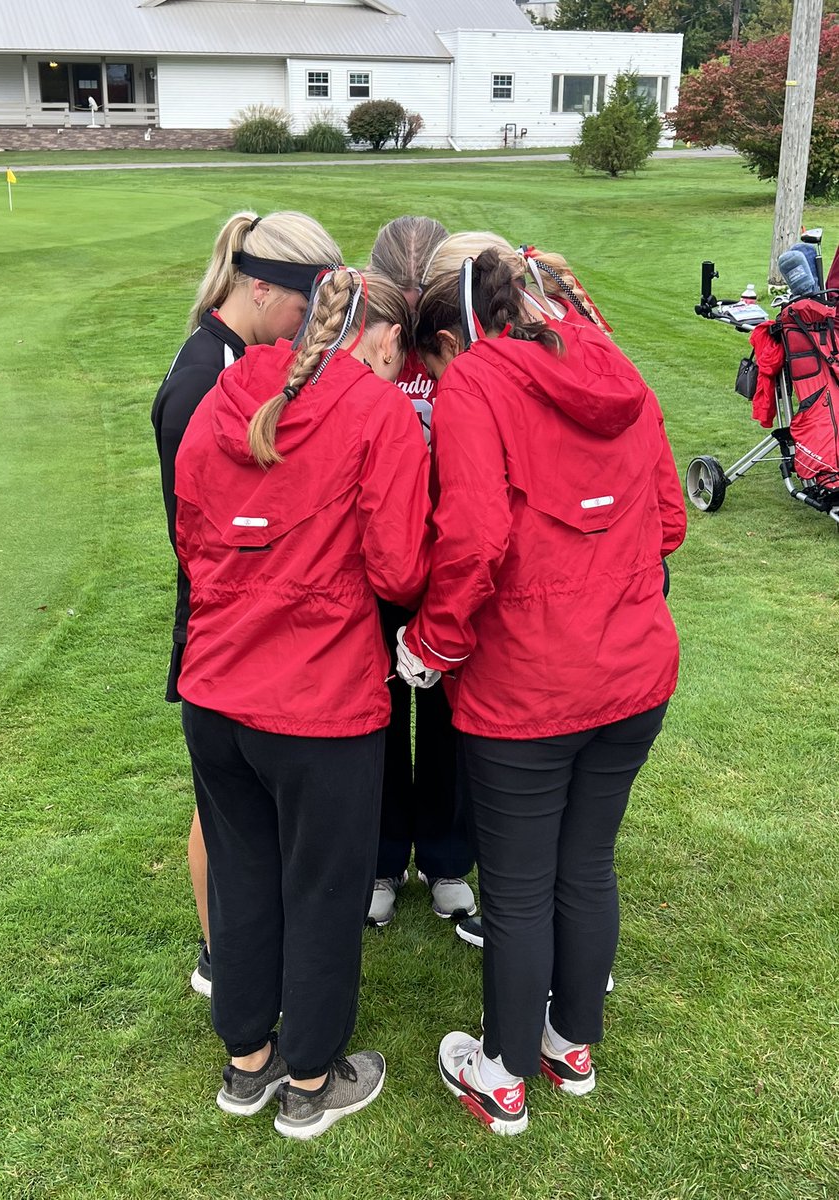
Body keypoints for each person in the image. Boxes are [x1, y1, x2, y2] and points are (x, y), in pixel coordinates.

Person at [396, 242, 686, 1135]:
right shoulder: (614, 364)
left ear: (462, 329)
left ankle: (507, 1073)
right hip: (632, 671)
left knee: (522, 887)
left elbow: (476, 536)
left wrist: (429, 644)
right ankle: (568, 1043)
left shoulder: (478, 384)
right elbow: (668, 521)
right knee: (584, 864)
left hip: (527, 687)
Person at [174, 267, 432, 1138]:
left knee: (246, 873)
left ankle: (248, 1061)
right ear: (384, 336)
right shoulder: (379, 414)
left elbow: (191, 534)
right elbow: (400, 571)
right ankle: (313, 1079)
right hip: (319, 706)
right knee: (322, 890)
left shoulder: (221, 394)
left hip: (218, 693)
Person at [151, 210, 342, 996]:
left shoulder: (240, 351)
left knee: (235, 805)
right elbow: (204, 527)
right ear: (262, 288)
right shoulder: (204, 376)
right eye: (306, 310)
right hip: (218, 617)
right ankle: (219, 951)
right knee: (219, 809)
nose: (311, 331)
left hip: (238, 611)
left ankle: (238, 943)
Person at [365, 215, 476, 926]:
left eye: (420, 294)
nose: (409, 308)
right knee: (375, 711)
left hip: (450, 562)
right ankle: (379, 857)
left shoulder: (452, 346)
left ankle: (443, 856)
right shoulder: (364, 346)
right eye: (398, 297)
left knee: (446, 717)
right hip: (375, 564)